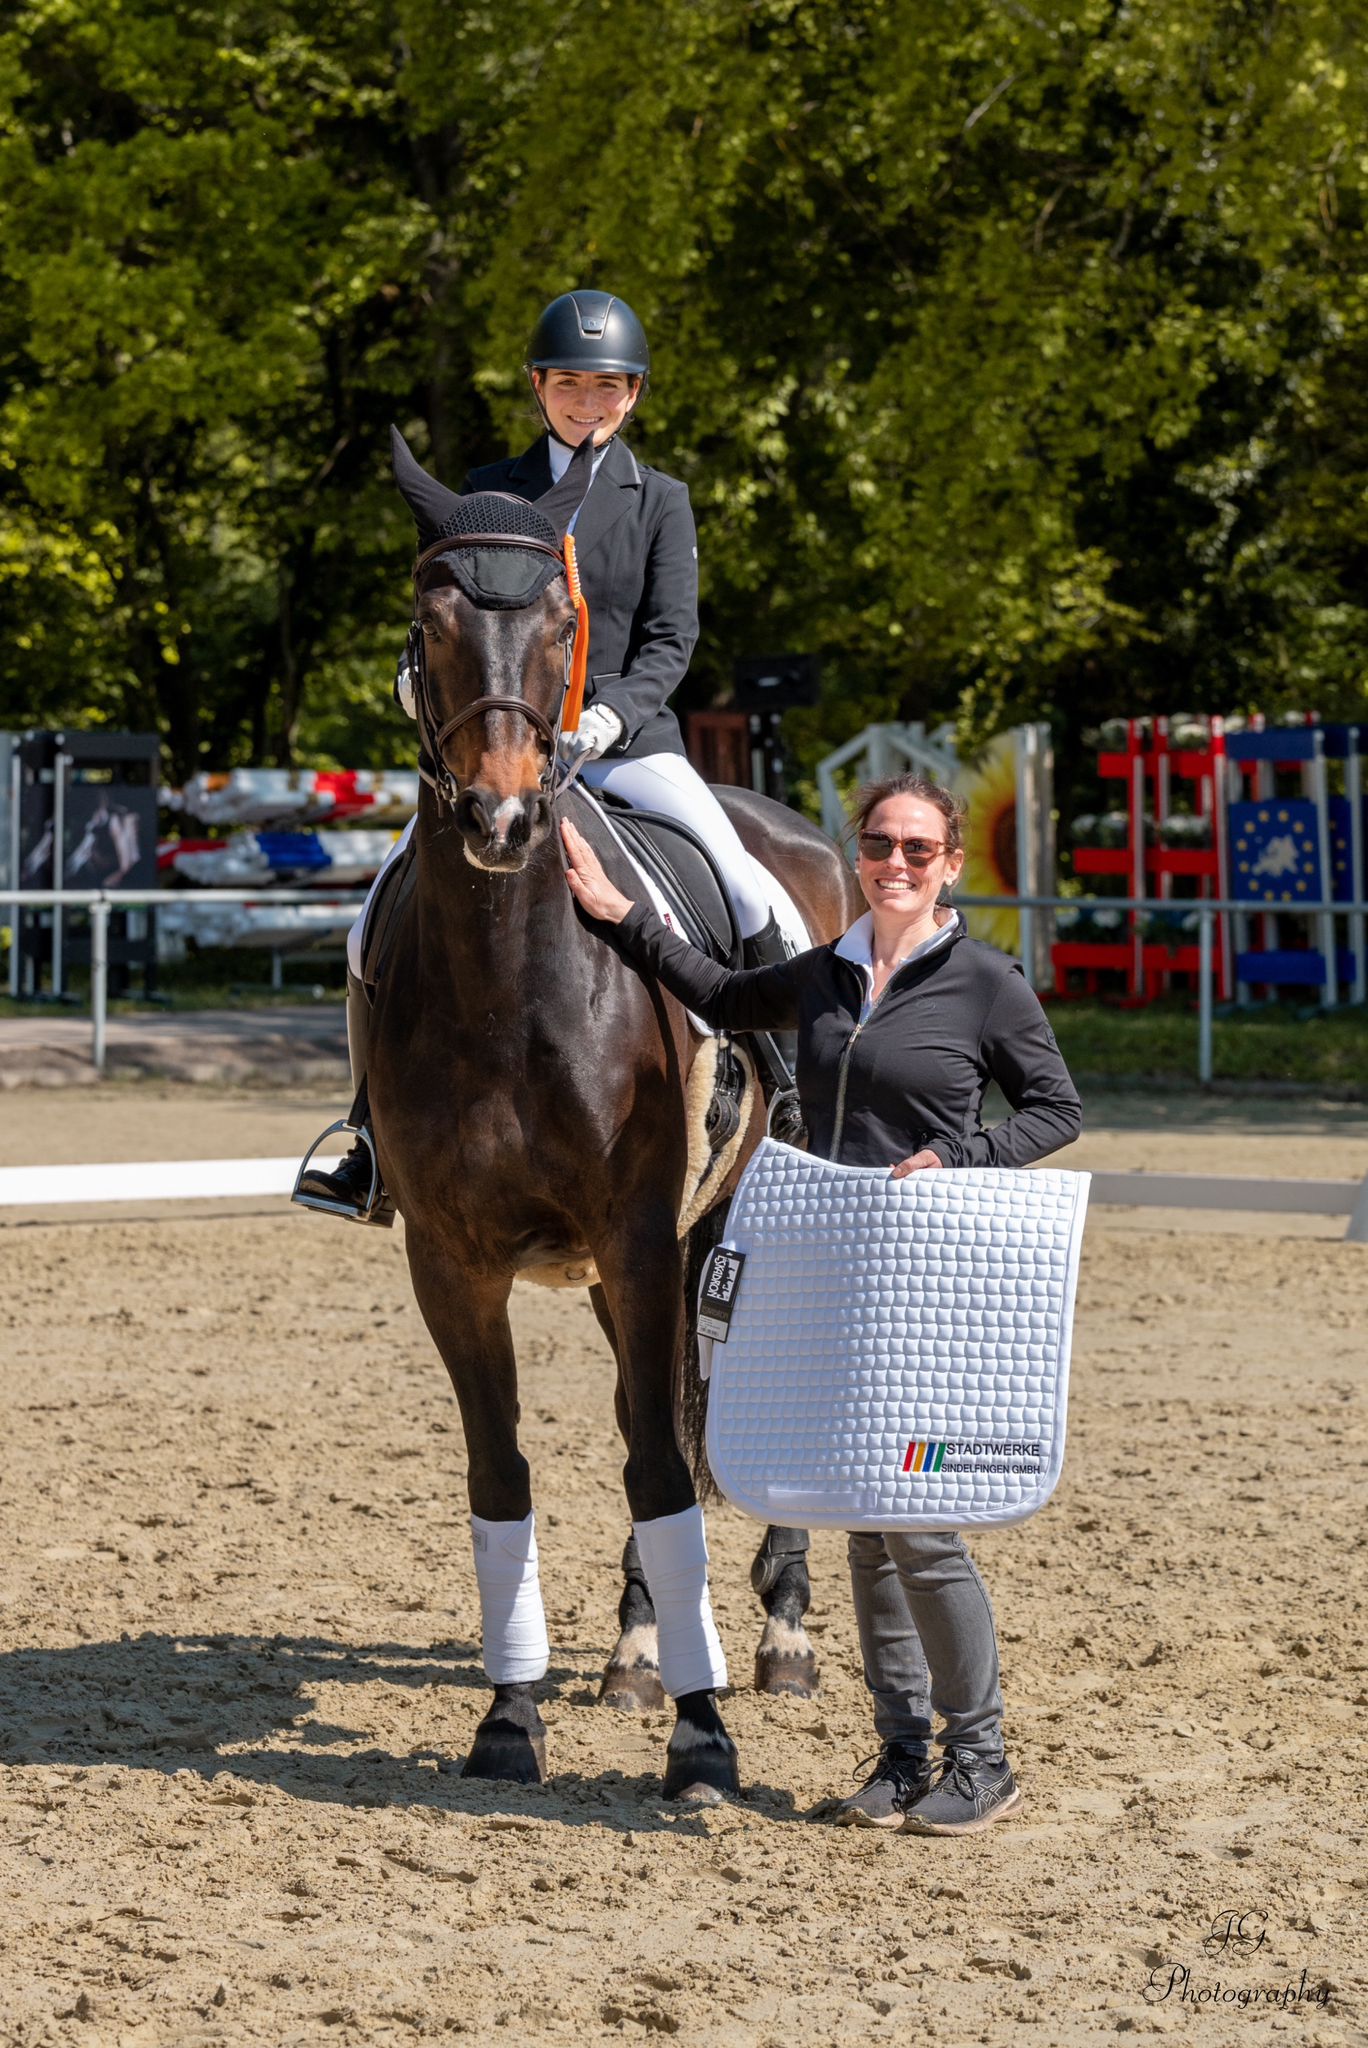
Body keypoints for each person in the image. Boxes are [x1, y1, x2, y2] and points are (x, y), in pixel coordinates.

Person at [559, 770, 1084, 1836]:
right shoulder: (829, 976)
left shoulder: (984, 979)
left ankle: (980, 1755)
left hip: (932, 1274)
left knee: (922, 1529)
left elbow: (1055, 1108)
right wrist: (620, 915)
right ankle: (899, 1757)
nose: (898, 864)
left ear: (949, 866)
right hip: (841, 1270)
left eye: (919, 850)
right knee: (861, 1527)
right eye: (881, 845)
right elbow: (715, 987)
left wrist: (962, 1154)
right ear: (859, 856)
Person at [298, 287, 787, 1221]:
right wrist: (414, 686)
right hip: (499, 752)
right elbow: (442, 618)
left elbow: (671, 640)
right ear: (539, 386)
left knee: (746, 884)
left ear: (634, 394)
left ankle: (791, 1092)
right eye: (570, 383)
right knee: (373, 919)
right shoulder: (489, 492)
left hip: (621, 748)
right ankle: (369, 1135)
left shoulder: (661, 501)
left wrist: (610, 715)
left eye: (607, 387)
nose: (588, 402)